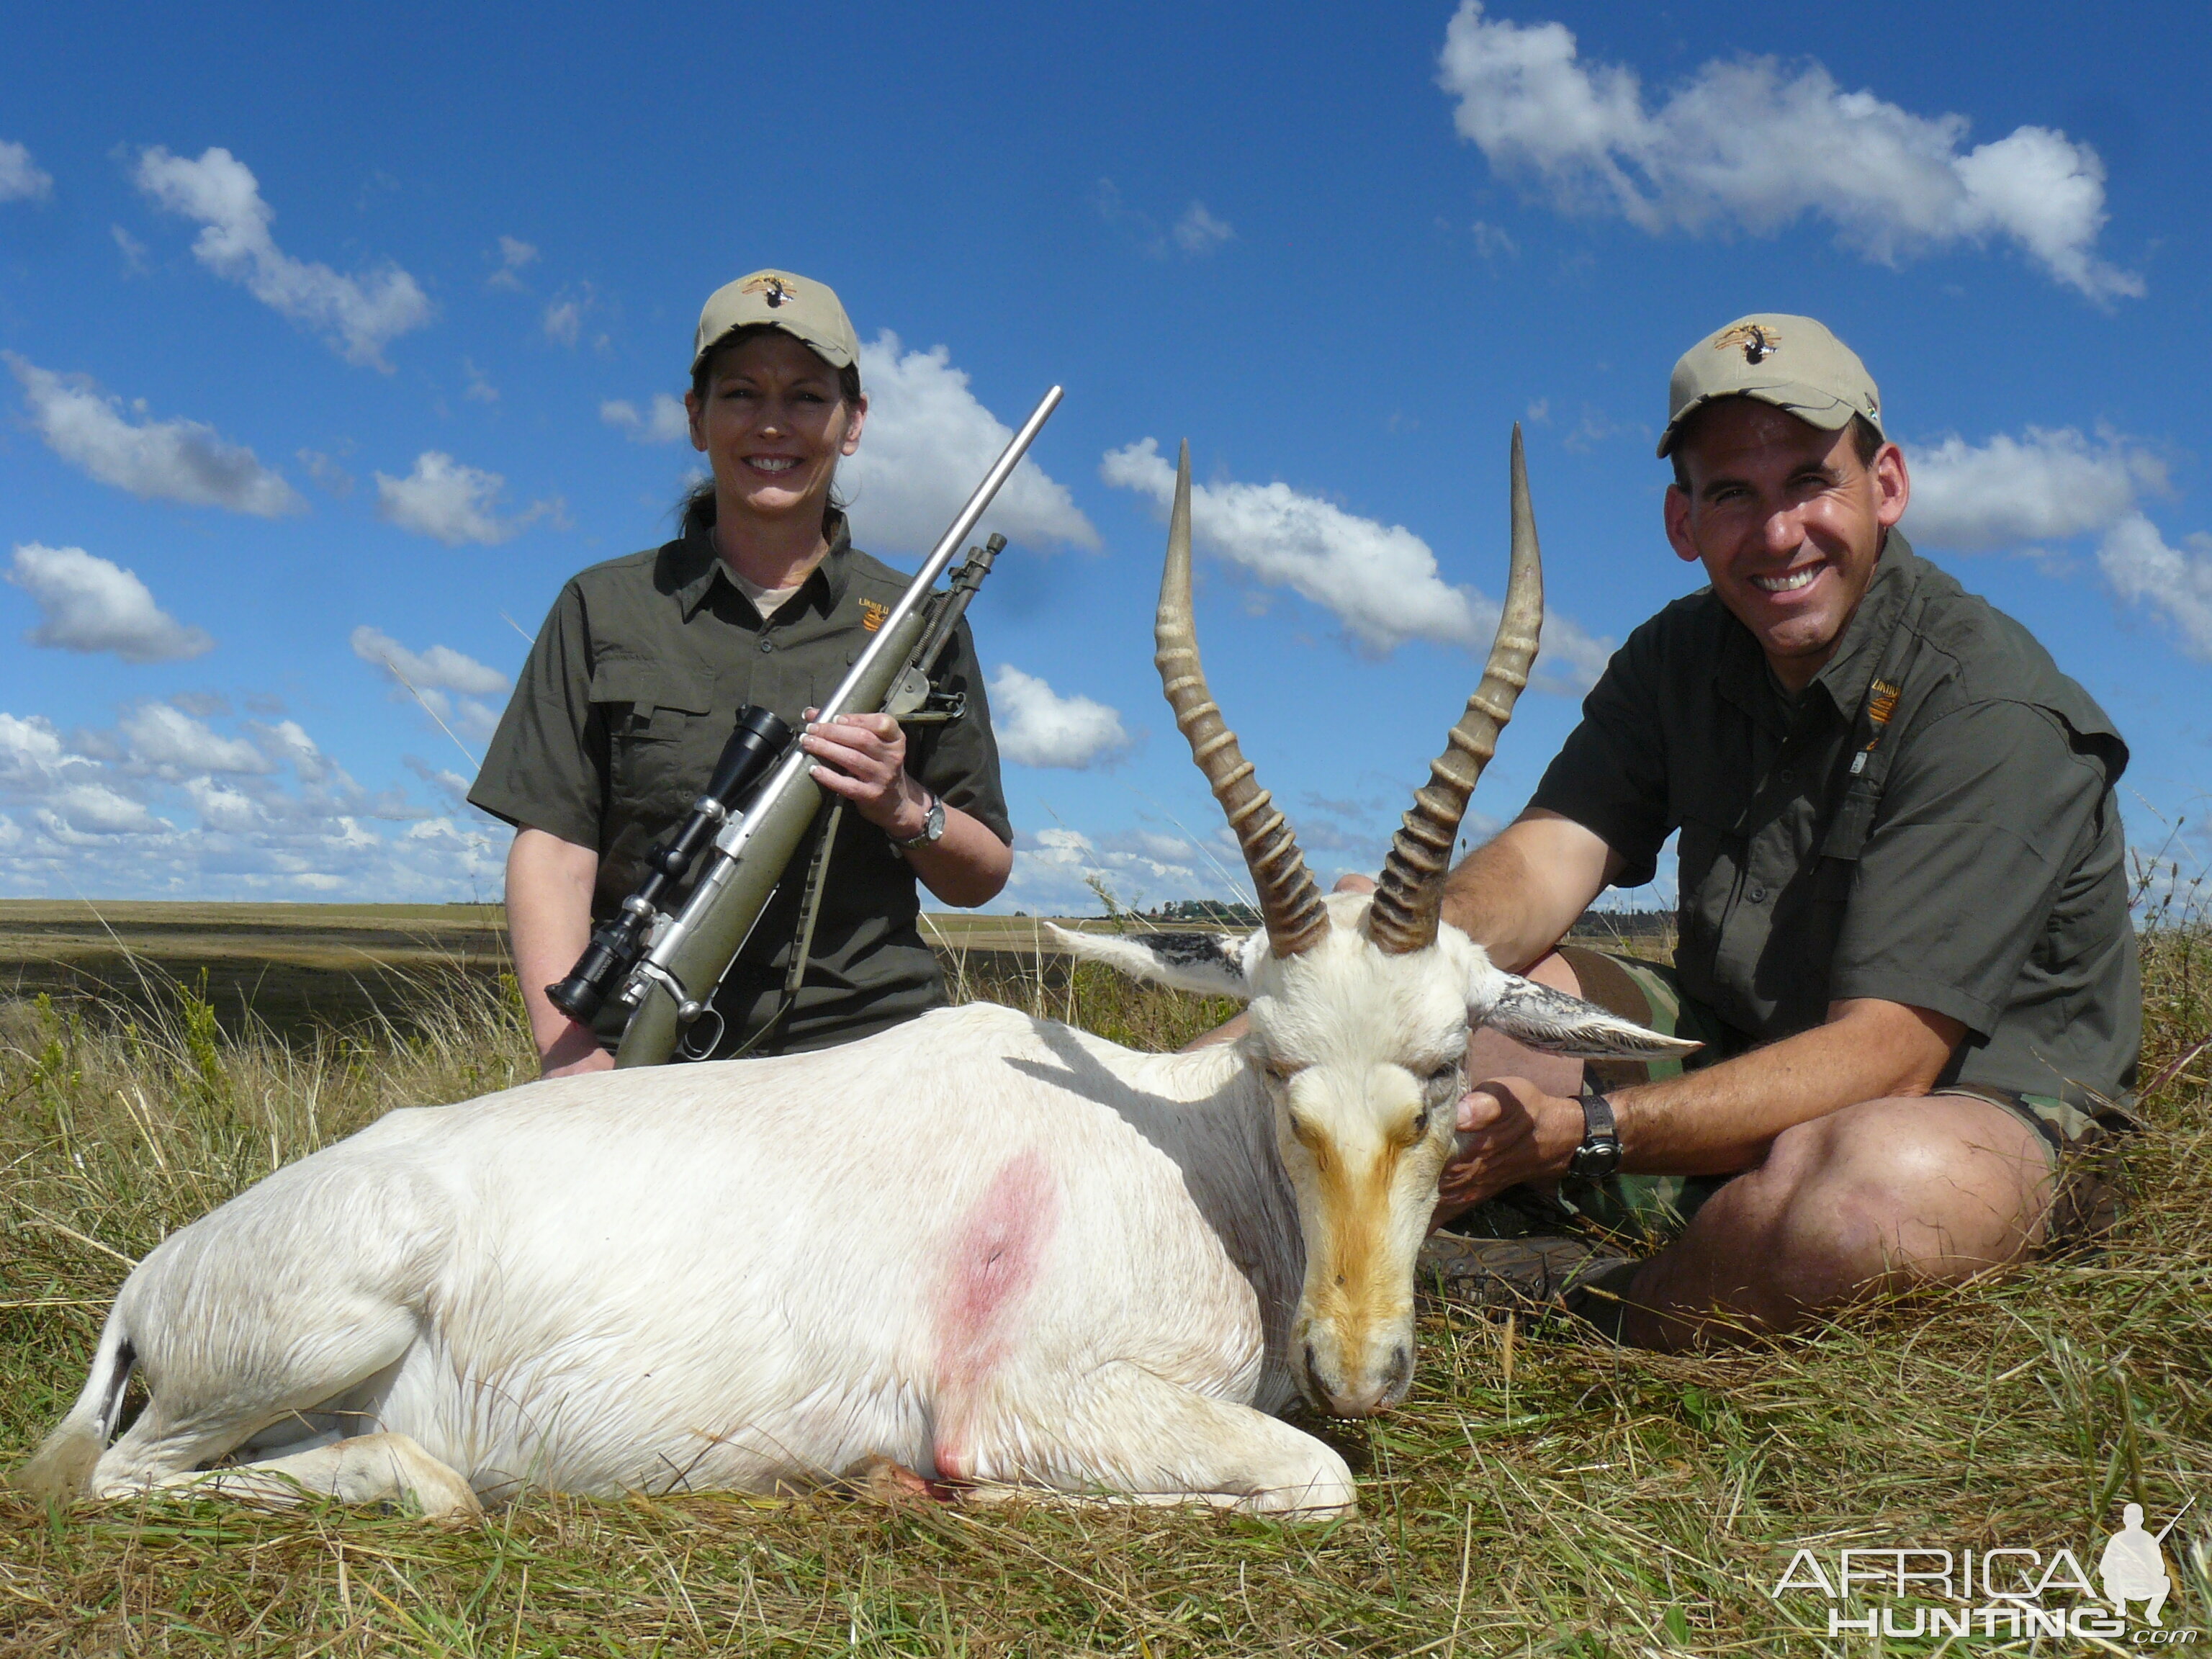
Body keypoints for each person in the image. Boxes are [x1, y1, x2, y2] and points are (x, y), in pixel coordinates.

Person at [1421, 313, 2139, 1349]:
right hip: (1740, 1050)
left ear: (1884, 486)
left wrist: (1582, 1139)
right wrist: (1415, 952)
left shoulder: (1987, 702)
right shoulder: (1678, 654)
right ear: (1684, 522)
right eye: (1732, 495)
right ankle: (1172, 1201)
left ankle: (1577, 1310)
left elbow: (1887, 1058)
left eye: (1811, 482)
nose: (1776, 534)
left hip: (1956, 1104)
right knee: (1431, 988)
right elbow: (1548, 853)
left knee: (1877, 1198)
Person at [471, 269, 1013, 1077]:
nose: (772, 425)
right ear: (696, 417)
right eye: (740, 395)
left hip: (877, 1052)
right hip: (643, 1053)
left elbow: (984, 872)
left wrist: (903, 806)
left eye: (804, 397)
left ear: (853, 421)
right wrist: (572, 1061)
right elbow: (552, 848)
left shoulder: (918, 622)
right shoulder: (603, 606)